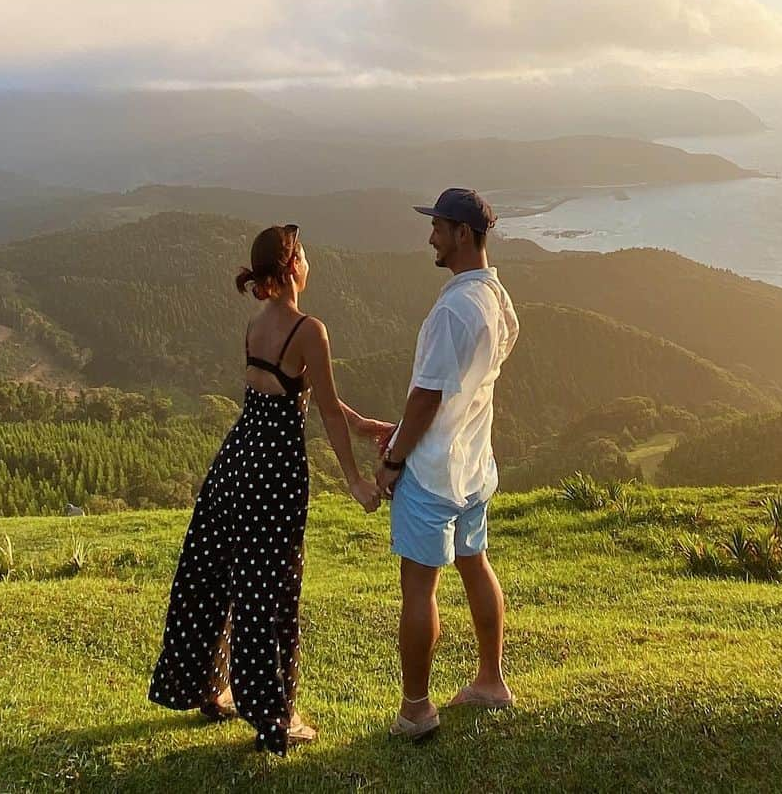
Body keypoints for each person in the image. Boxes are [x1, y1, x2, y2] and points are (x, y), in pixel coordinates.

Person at [148, 223, 380, 755]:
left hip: (236, 460)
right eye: (306, 252)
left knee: (218, 574)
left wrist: (364, 424)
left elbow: (304, 391)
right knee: (270, 590)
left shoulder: (257, 324)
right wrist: (354, 481)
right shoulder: (310, 330)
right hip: (275, 471)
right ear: (294, 264)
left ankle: (212, 687)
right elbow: (319, 407)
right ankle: (277, 716)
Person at [345, 189, 520, 741]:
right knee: (475, 563)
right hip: (474, 464)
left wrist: (395, 459)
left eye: (439, 227)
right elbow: (466, 389)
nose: (431, 237)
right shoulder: (498, 301)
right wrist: (400, 431)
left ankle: (417, 710)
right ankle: (490, 680)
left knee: (419, 589)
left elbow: (426, 397)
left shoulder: (452, 309)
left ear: (463, 233)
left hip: (432, 470)